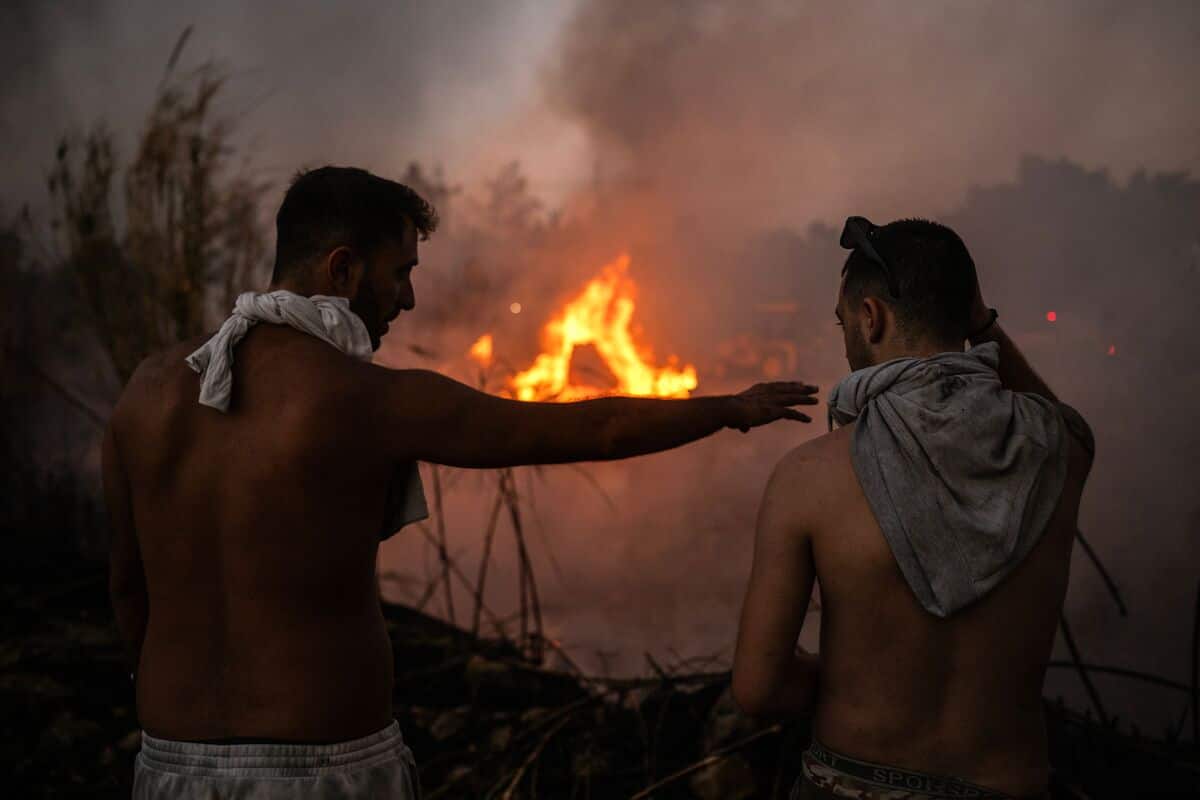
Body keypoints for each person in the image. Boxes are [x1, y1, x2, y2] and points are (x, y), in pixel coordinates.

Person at [102, 166, 820, 799]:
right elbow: (586, 431)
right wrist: (728, 410)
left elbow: (129, 589)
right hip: (318, 772)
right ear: (343, 270)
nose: (407, 300)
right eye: (400, 273)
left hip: (170, 767)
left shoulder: (145, 395)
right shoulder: (364, 399)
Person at [731, 217, 1094, 799]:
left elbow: (758, 688)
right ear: (969, 316)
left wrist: (854, 684)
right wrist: (979, 322)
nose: (845, 338)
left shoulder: (807, 477)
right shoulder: (1059, 452)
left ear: (870, 317)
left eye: (843, 322)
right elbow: (1054, 415)